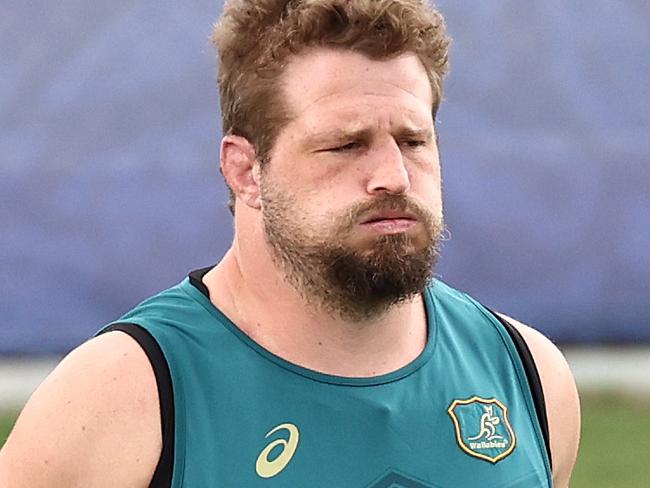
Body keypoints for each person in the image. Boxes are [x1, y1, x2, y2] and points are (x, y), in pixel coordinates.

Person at [0, 0, 581, 486]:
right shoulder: (122, 398)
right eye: (346, 144)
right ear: (245, 171)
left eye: (412, 140)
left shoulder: (529, 375)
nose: (394, 176)